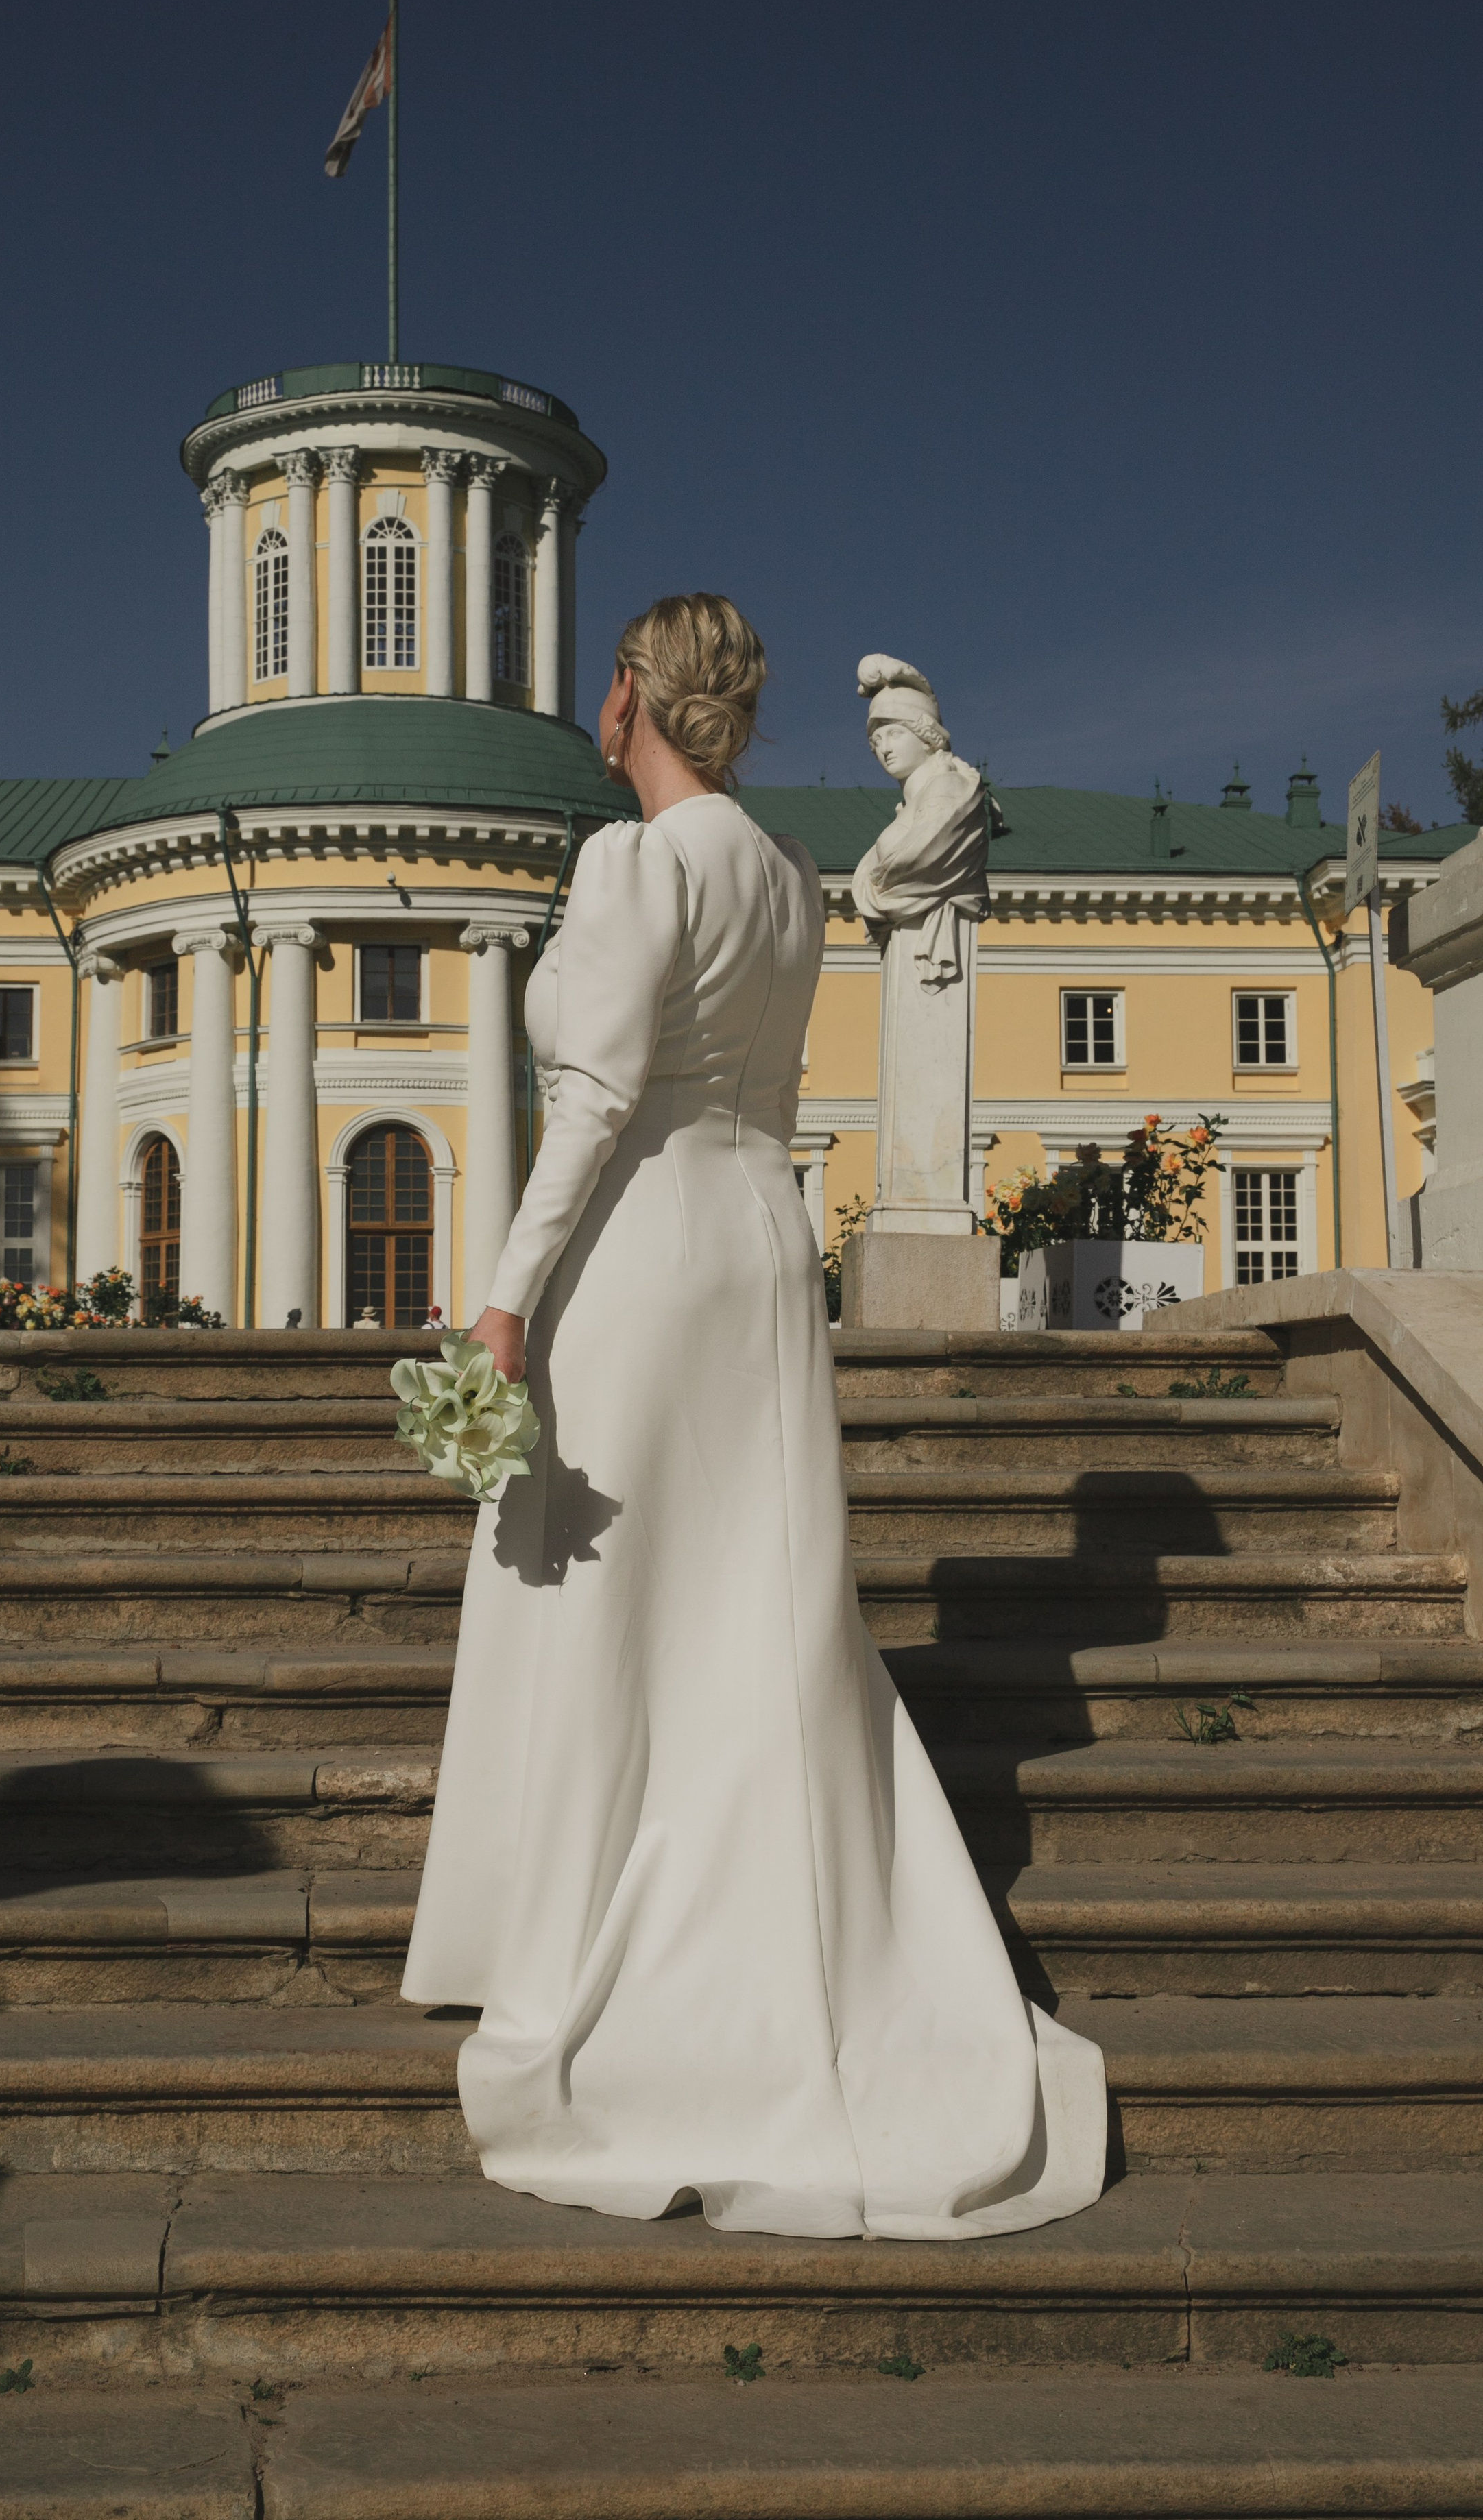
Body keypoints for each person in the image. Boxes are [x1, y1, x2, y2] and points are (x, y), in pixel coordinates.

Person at [401, 594, 1107, 2239]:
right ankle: (789, 1931)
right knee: (750, 1601)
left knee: (603, 1599)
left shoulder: (632, 863)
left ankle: (570, 1934)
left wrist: (501, 1300)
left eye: (610, 678)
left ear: (628, 699)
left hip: (643, 1255)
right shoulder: (788, 877)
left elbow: (591, 1100)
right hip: (761, 1249)